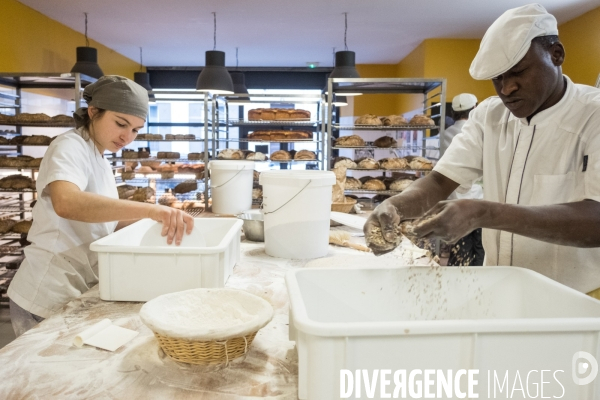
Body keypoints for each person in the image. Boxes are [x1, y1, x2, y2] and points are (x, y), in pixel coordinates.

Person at [365, 4, 600, 296]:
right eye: (498, 78)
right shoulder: (490, 115)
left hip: (576, 299)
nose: (507, 89)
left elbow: (597, 219)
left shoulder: (593, 116)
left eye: (518, 72)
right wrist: (396, 205)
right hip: (499, 289)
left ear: (556, 55)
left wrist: (483, 213)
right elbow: (440, 181)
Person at [8, 75, 194, 336]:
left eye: (135, 130)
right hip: (47, 291)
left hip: (77, 285)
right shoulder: (69, 146)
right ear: (94, 111)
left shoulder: (99, 156)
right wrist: (151, 210)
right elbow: (67, 203)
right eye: (121, 123)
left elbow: (106, 221)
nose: (127, 136)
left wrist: (163, 218)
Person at [441, 93, 485, 266]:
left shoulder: (446, 133)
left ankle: (458, 279)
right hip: (478, 199)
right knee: (479, 248)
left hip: (454, 200)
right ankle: (477, 282)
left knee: (460, 245)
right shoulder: (479, 133)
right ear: (475, 109)